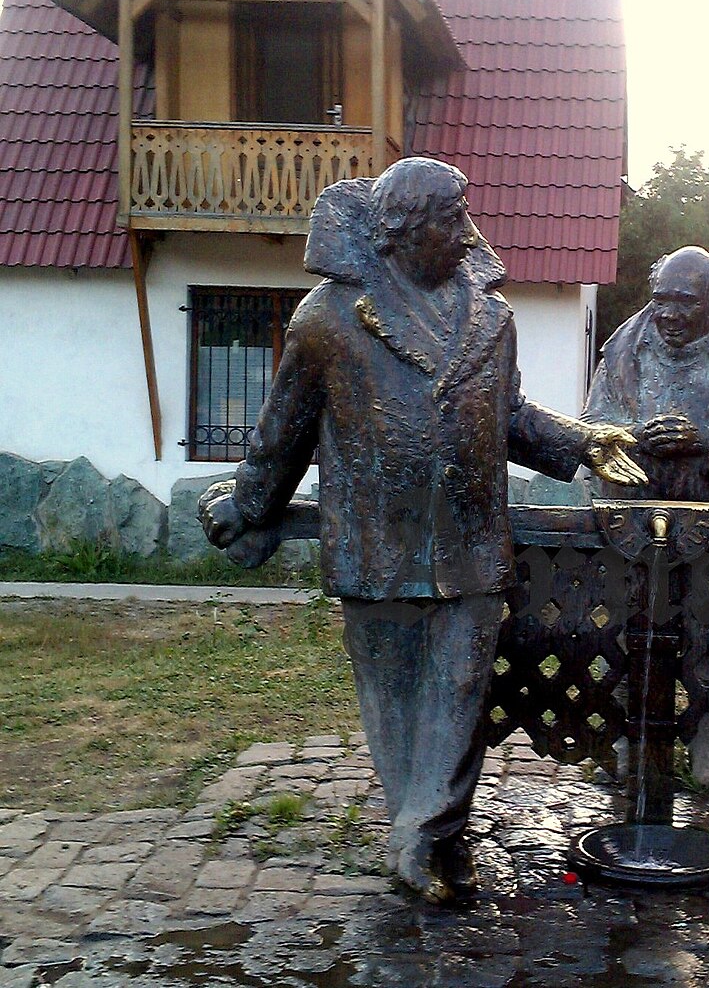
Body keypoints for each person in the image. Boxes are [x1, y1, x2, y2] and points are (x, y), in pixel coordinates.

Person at [199, 157, 646, 904]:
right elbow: (284, 431)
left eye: (466, 215)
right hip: (377, 546)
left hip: (469, 542)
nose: (468, 234)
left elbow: (509, 417)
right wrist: (249, 507)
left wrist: (583, 440)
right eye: (451, 218)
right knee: (396, 701)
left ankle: (428, 834)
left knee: (460, 693)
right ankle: (426, 833)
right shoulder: (329, 318)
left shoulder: (491, 316)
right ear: (402, 230)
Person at [583, 245, 709, 788]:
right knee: (625, 634)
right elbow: (592, 424)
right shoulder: (625, 345)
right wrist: (633, 435)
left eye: (685, 302)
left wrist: (705, 440)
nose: (669, 314)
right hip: (632, 520)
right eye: (661, 300)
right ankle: (627, 744)